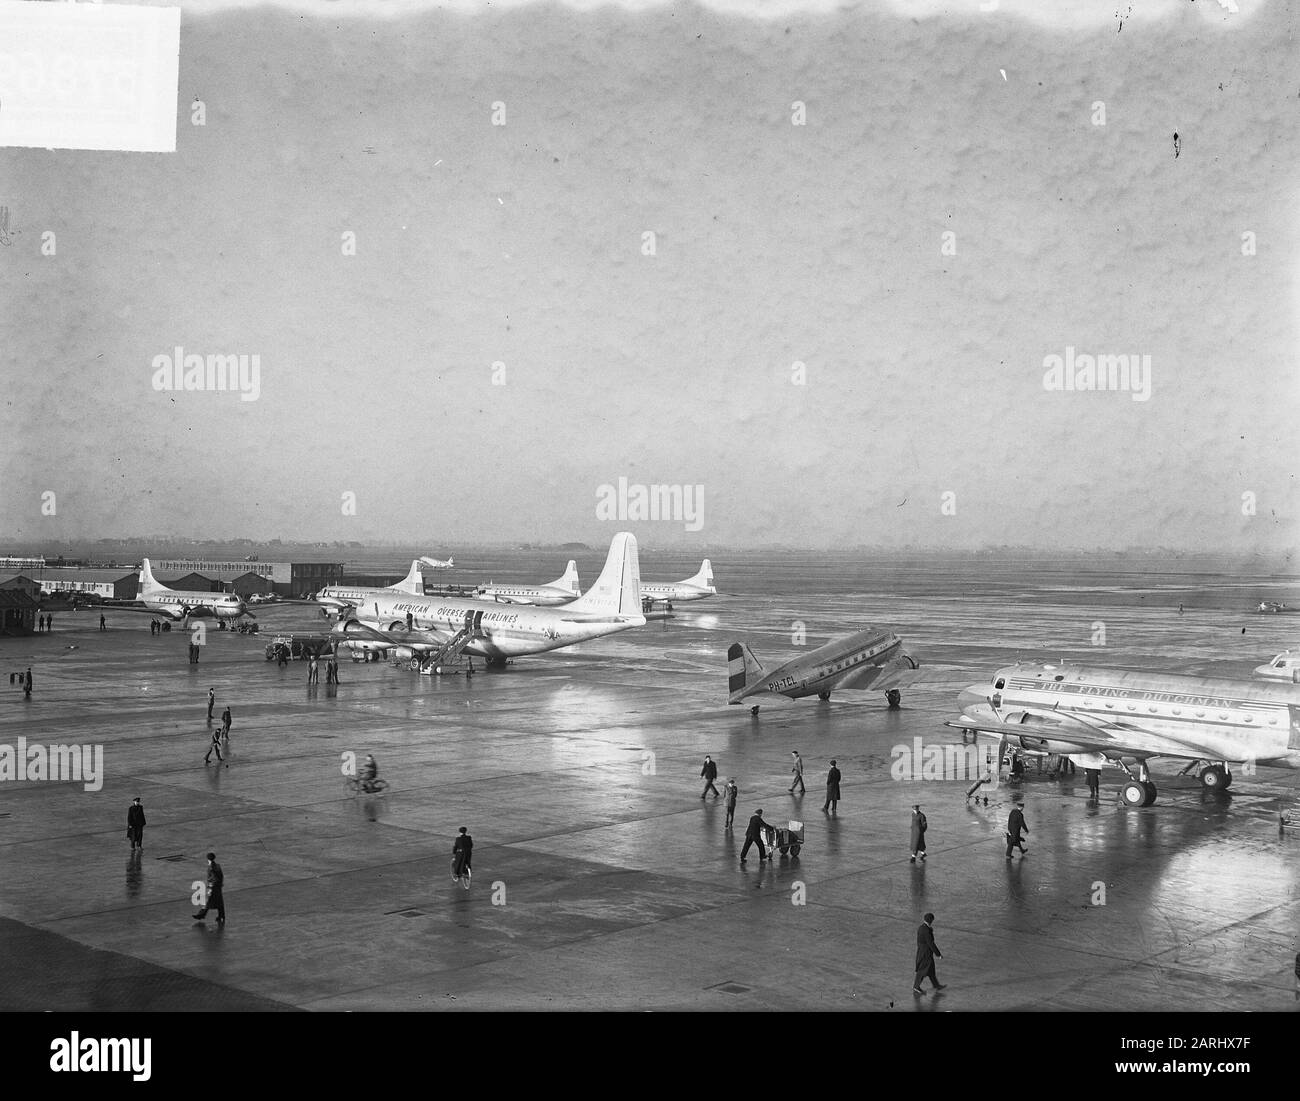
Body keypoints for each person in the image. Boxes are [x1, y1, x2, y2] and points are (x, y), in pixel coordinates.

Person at [913, 912, 945, 994]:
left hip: (922, 951)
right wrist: (938, 954)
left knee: (931, 970)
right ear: (930, 920)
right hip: (925, 954)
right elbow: (931, 943)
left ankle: (936, 985)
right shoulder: (926, 930)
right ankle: (916, 987)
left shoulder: (921, 927)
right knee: (922, 970)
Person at [192, 852, 225, 924]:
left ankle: (201, 915)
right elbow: (221, 876)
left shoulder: (211, 867)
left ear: (207, 859)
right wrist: (220, 883)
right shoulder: (218, 866)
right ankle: (221, 916)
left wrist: (211, 885)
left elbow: (214, 877)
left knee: (208, 901)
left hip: (213, 886)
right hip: (218, 886)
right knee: (219, 901)